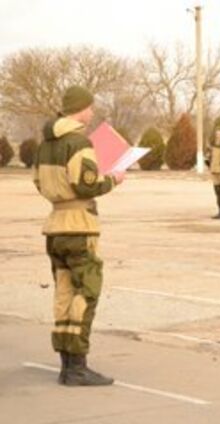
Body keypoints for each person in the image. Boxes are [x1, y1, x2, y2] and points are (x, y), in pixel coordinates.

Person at [32, 86, 124, 386]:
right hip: (79, 225)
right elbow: (86, 184)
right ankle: (78, 366)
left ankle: (66, 364)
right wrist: (113, 179)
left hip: (55, 224)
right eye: (89, 107)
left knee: (63, 293)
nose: (92, 112)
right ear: (79, 109)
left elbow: (38, 181)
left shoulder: (45, 144)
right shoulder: (79, 142)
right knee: (87, 292)